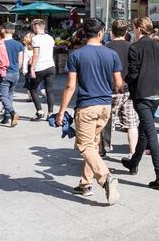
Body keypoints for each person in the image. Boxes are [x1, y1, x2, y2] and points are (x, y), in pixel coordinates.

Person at [54, 18, 121, 205]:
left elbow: (70, 86)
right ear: (101, 33)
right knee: (93, 144)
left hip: (87, 106)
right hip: (105, 106)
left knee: (85, 146)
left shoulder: (76, 55)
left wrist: (60, 112)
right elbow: (118, 84)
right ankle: (85, 183)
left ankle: (105, 177)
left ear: (84, 33)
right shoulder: (111, 54)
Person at [120, 17, 159, 190]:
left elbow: (133, 73)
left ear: (139, 29)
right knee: (144, 130)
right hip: (156, 94)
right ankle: (134, 162)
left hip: (142, 95)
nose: (133, 31)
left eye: (134, 28)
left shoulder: (135, 47)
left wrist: (123, 83)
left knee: (151, 135)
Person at [104, 19, 138, 158]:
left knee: (107, 120)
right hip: (129, 89)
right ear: (126, 32)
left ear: (112, 32)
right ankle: (133, 153)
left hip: (111, 89)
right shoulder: (132, 46)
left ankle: (104, 148)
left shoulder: (107, 47)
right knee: (131, 122)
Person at [0, 23, 24, 127]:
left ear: (4, 30)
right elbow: (20, 61)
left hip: (3, 73)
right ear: (13, 31)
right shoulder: (19, 45)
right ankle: (6, 117)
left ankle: (13, 113)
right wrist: (17, 69)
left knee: (2, 96)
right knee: (10, 95)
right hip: (15, 73)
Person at [28, 19, 58, 117]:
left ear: (36, 26)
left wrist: (32, 68)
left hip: (40, 67)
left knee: (33, 89)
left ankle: (40, 111)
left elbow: (35, 55)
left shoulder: (35, 39)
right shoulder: (50, 38)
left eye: (33, 26)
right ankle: (50, 112)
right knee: (49, 90)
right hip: (50, 66)